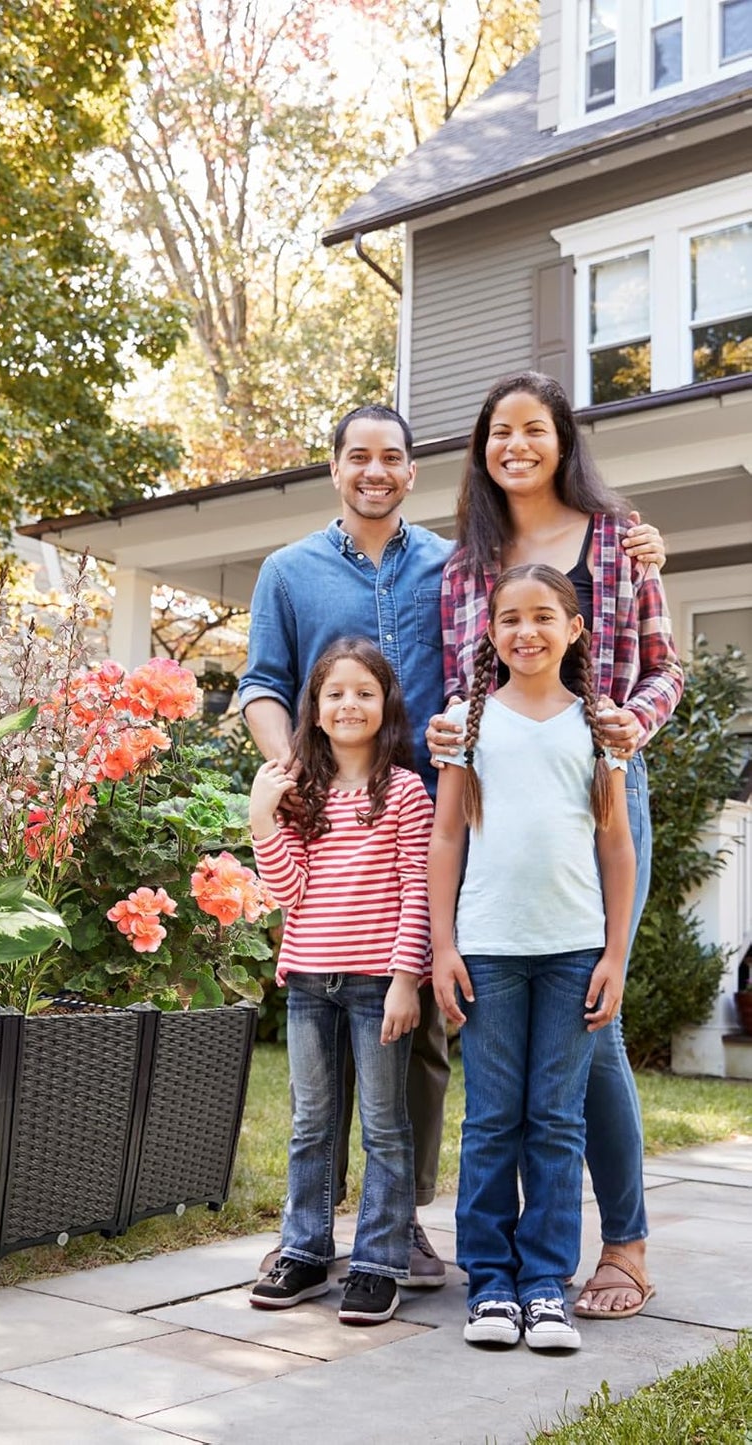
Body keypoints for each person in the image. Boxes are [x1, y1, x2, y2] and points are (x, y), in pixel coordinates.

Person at [240, 400, 665, 1290]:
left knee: (564, 1020)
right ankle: (363, 1232)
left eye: (391, 455)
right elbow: (270, 685)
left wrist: (627, 717)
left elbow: (646, 662)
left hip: (533, 792)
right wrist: (303, 781)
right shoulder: (396, 564)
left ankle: (604, 1242)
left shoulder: (544, 549)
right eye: (356, 455)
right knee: (423, 1015)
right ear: (332, 465)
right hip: (409, 814)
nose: (373, 470)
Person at [431, 372, 682, 1321]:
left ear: (561, 439)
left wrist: (627, 726)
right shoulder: (464, 565)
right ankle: (511, 1262)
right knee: (510, 1087)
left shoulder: (619, 538)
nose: (516, 446)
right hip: (498, 798)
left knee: (595, 1012)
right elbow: (460, 689)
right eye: (499, 432)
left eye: (533, 430)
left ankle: (623, 1243)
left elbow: (664, 668)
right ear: (481, 448)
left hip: (603, 782)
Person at [429, 565, 635, 1351]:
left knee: (554, 1120)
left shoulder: (598, 727)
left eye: (543, 616)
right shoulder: (466, 723)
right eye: (509, 618)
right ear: (489, 632)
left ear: (575, 628)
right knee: (489, 1120)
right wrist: (444, 946)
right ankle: (488, 1281)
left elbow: (614, 845)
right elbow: (446, 837)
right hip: (487, 950)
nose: (526, 631)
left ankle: (545, 1282)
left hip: (572, 950)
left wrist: (615, 952)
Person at [248, 637, 432, 1326]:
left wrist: (403, 978)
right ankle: (303, 1249)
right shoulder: (300, 792)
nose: (349, 703)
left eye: (363, 691)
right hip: (306, 981)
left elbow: (416, 888)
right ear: (315, 710)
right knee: (309, 1125)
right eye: (335, 693)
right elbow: (287, 890)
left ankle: (378, 1261)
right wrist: (261, 815)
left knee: (383, 1126)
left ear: (384, 705)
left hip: (374, 982)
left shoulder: (405, 791)